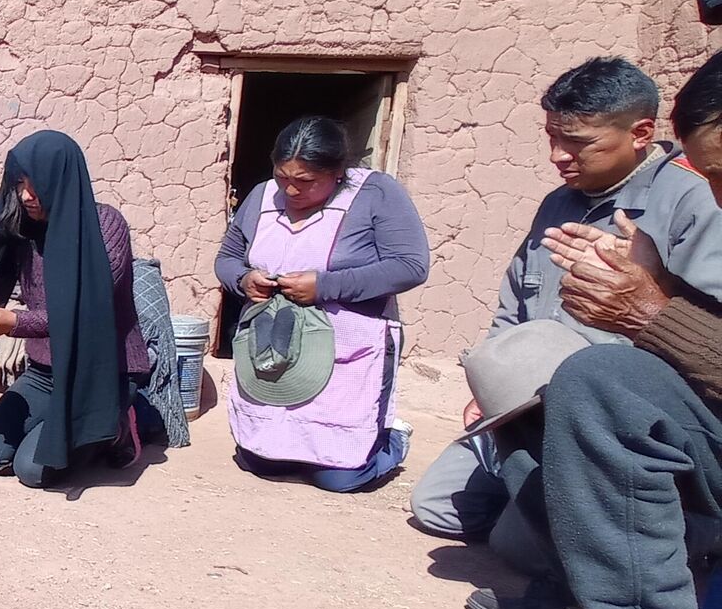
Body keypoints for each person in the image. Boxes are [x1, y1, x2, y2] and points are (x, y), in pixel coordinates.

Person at [411, 57, 722, 553]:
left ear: (640, 133)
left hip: (616, 421)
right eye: (552, 137)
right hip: (528, 406)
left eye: (577, 142)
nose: (558, 155)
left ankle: (653, 534)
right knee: (440, 508)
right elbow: (517, 299)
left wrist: (650, 294)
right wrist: (492, 382)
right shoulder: (558, 203)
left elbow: (705, 345)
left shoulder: (696, 200)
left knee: (521, 548)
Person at [214, 115, 430, 492]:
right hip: (275, 343)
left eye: (306, 182)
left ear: (338, 172)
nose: (292, 191)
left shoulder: (376, 194)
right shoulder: (262, 196)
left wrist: (325, 286)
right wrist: (243, 278)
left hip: (347, 346)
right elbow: (229, 256)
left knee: (341, 477)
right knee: (258, 460)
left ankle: (391, 437)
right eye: (283, 177)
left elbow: (410, 266)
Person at [0, 130, 148, 488]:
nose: (26, 195)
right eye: (19, 183)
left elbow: (87, 309)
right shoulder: (24, 228)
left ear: (59, 179)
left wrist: (14, 322)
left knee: (33, 470)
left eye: (35, 184)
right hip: (45, 371)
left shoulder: (107, 226)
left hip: (101, 373)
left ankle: (117, 427)